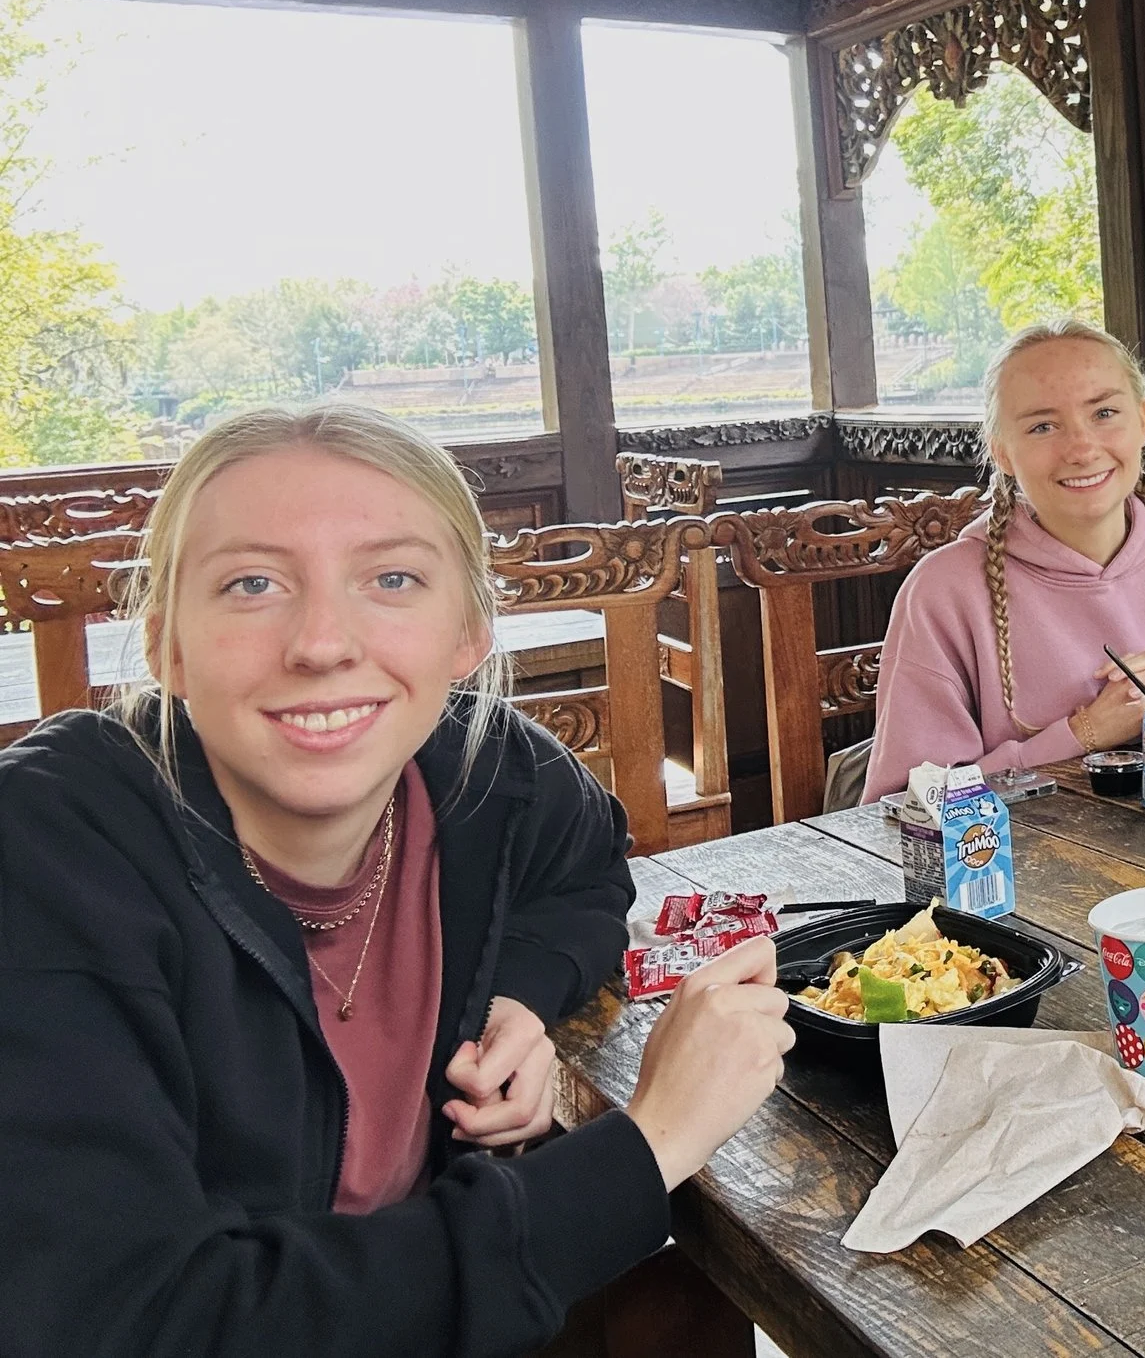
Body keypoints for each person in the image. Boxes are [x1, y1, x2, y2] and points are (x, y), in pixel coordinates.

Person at [0, 405, 794, 1358]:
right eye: (252, 583)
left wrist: (515, 998)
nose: (324, 643)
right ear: (168, 641)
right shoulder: (53, 849)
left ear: (467, 635)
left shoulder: (488, 770)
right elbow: (141, 1321)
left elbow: (585, 875)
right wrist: (652, 1144)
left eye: (392, 578)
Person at [865, 317, 1145, 801]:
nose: (1082, 449)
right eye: (1043, 426)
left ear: (1144, 420)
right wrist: (1085, 731)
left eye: (1104, 413)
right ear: (1003, 452)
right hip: (1025, 867)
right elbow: (906, 804)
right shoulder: (944, 590)